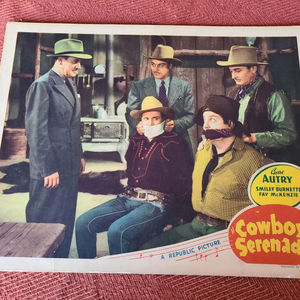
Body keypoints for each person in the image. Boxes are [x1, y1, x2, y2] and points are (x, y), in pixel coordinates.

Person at [140, 95, 273, 250]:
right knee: (148, 249)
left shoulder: (253, 160)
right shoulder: (203, 151)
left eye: (213, 120)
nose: (206, 126)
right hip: (196, 224)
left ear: (229, 124)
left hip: (225, 232)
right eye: (205, 120)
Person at [76, 96, 193, 258]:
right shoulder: (137, 140)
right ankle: (87, 273)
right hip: (127, 198)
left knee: (117, 231)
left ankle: (123, 279)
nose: (151, 123)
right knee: (83, 223)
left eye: (155, 118)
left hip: (156, 204)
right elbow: (130, 170)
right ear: (141, 121)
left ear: (163, 120)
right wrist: (138, 138)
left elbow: (185, 181)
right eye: (146, 118)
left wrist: (179, 217)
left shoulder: (175, 143)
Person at [25, 38, 92, 258]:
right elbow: (36, 132)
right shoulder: (42, 85)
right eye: (74, 61)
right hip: (50, 171)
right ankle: (40, 270)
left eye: (79, 62)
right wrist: (48, 168)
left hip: (69, 168)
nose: (78, 66)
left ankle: (60, 262)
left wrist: (79, 156)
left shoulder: (68, 84)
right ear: (60, 60)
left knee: (65, 219)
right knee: (44, 223)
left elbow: (73, 126)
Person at [216, 45, 297, 161]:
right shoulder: (233, 95)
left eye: (238, 70)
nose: (233, 76)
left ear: (253, 69)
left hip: (266, 162)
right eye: (231, 71)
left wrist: (254, 138)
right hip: (239, 160)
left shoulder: (274, 96)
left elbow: (289, 135)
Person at [125, 44, 195, 155]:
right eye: (153, 64)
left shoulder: (184, 86)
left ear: (170, 66)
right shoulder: (138, 86)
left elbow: (190, 116)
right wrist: (137, 125)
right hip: (146, 141)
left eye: (161, 65)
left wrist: (175, 124)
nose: (155, 69)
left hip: (176, 142)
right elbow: (130, 113)